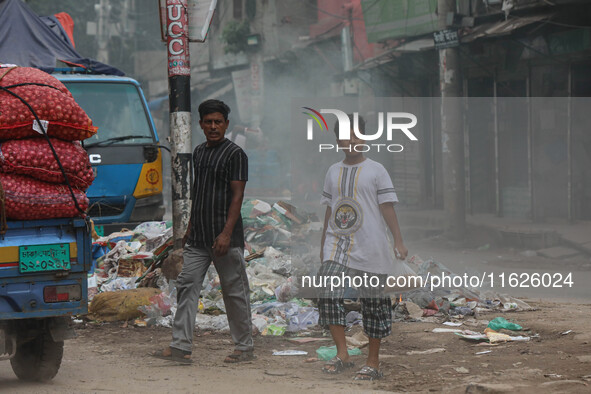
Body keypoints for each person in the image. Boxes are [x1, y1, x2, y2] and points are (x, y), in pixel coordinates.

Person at [153, 99, 253, 364]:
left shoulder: (235, 155)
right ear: (200, 125)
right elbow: (199, 192)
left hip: (225, 239)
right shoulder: (199, 152)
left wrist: (226, 233)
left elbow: (237, 196)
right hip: (198, 238)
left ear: (226, 124)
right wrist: (190, 227)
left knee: (234, 292)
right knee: (187, 285)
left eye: (218, 122)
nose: (213, 126)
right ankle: (180, 347)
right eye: (208, 122)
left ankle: (244, 347)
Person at [317, 115, 408, 380]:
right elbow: (330, 210)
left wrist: (398, 240)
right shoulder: (332, 171)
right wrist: (323, 243)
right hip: (338, 244)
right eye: (347, 135)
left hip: (372, 246)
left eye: (358, 134)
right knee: (328, 291)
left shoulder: (377, 170)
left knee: (374, 304)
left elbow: (387, 207)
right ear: (338, 141)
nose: (353, 139)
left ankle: (373, 362)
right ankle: (342, 354)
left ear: (365, 138)